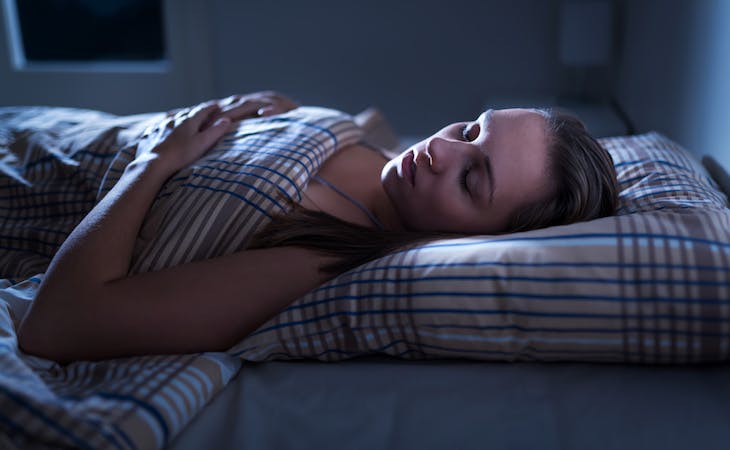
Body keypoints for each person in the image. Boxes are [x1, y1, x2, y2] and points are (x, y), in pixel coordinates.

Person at [17, 91, 619, 363]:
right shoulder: (373, 147)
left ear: (477, 243)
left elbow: (61, 324)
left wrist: (152, 166)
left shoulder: (314, 262)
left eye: (472, 180)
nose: (440, 150)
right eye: (469, 131)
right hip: (41, 127)